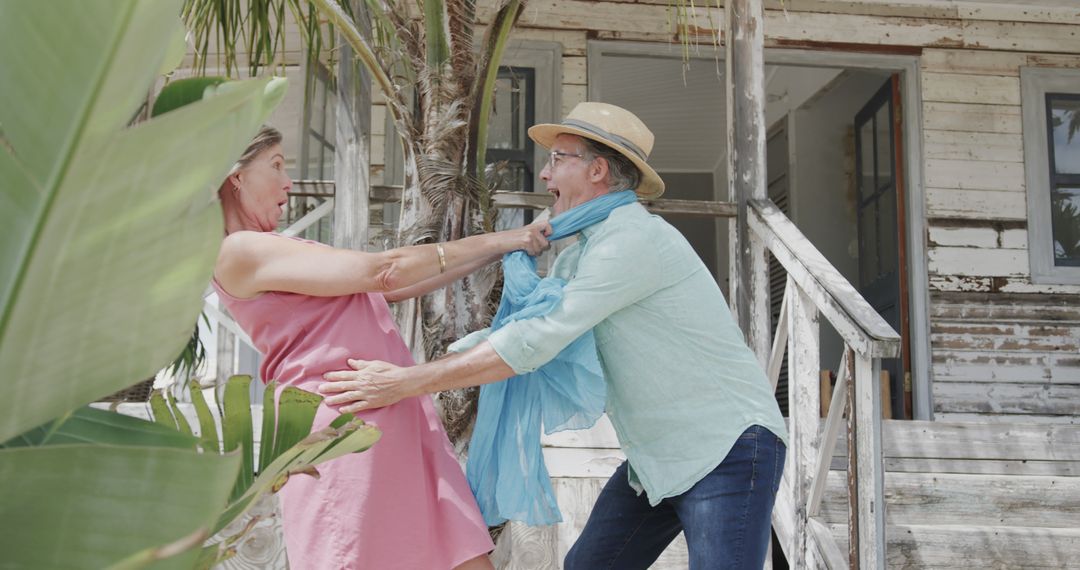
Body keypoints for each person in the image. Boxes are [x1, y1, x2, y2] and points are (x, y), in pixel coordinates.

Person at [319, 102, 790, 569]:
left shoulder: (632, 241)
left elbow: (535, 342)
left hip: (726, 445)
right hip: (655, 461)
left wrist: (407, 380)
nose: (544, 176)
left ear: (598, 170)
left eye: (557, 160)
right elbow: (520, 335)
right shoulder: (578, 256)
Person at [211, 126, 551, 570]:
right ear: (235, 175)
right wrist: (503, 239)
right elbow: (385, 271)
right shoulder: (239, 251)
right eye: (276, 165)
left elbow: (389, 289)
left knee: (463, 555)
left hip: (395, 412)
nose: (288, 182)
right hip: (341, 431)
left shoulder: (276, 248)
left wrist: (499, 251)